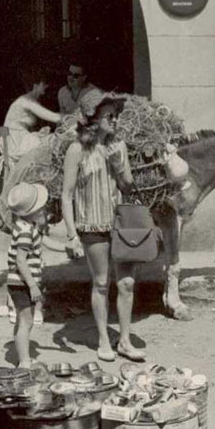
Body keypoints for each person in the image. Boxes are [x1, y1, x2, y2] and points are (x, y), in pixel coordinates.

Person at [61, 90, 146, 363]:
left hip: (119, 224)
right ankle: (102, 340)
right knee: (100, 283)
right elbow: (67, 194)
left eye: (116, 115)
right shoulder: (77, 150)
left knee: (127, 284)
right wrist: (72, 234)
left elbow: (128, 186)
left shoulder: (118, 146)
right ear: (93, 119)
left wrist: (119, 165)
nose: (115, 120)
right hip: (91, 225)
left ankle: (124, 340)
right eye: (109, 115)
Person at [5, 182, 62, 368]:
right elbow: (21, 261)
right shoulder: (25, 232)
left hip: (21, 283)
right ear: (33, 212)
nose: (44, 211)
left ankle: (22, 356)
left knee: (23, 320)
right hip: (22, 283)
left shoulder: (29, 227)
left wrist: (66, 248)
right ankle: (24, 361)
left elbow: (46, 241)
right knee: (26, 322)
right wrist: (33, 285)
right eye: (41, 208)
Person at [3, 68, 63, 169]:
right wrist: (73, 117)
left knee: (48, 140)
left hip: (16, 140)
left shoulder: (30, 100)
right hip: (15, 143)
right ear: (35, 85)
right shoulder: (26, 101)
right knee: (52, 144)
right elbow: (53, 117)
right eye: (44, 84)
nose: (46, 86)